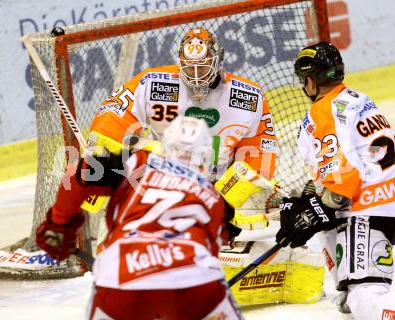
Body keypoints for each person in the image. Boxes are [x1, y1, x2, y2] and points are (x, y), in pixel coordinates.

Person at [275, 42, 395, 320]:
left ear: (311, 80)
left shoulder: (321, 112)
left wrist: (314, 211)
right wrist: (309, 203)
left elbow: (344, 175)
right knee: (326, 222)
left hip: (375, 205)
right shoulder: (357, 98)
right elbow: (335, 172)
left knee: (366, 298)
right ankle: (350, 287)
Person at [36, 116, 244, 320]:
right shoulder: (214, 198)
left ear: (165, 145)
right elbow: (215, 247)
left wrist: (58, 224)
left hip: (121, 276)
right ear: (207, 156)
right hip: (195, 280)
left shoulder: (137, 161)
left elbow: (78, 173)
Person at [85, 27, 278, 231]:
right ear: (180, 63)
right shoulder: (153, 83)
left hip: (221, 184)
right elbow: (112, 117)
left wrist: (229, 203)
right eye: (189, 68)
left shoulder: (248, 96)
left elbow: (260, 150)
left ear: (217, 60)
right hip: (166, 182)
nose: (196, 77)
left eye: (202, 68)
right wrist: (100, 156)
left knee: (255, 201)